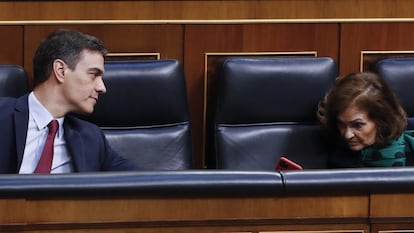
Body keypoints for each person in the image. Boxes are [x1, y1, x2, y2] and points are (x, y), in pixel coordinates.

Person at [0, 29, 138, 173]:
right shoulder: (3, 114)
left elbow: (145, 181)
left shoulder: (91, 137)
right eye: (93, 75)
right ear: (60, 71)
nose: (102, 88)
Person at [317, 71, 414, 168]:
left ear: (382, 121)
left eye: (358, 125)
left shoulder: (409, 151)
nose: (347, 135)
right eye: (341, 124)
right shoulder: (336, 156)